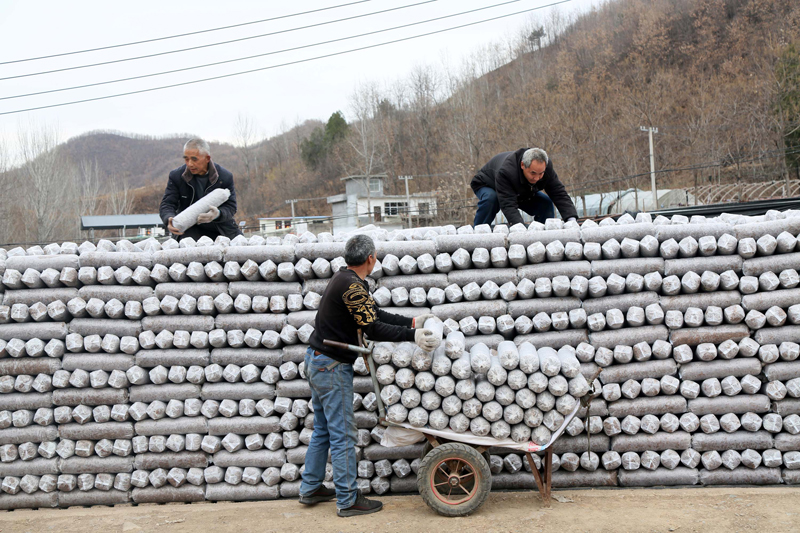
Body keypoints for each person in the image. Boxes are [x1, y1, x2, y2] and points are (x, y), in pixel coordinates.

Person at [300, 235, 438, 517]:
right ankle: (348, 500)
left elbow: (372, 314)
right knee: (342, 435)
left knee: (324, 430)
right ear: (371, 259)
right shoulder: (352, 286)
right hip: (332, 366)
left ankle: (310, 487)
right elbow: (373, 328)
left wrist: (412, 322)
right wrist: (413, 336)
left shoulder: (344, 278)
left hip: (317, 360)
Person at [470, 147, 578, 227]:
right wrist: (520, 229)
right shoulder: (506, 172)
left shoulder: (546, 169)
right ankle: (479, 231)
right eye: (533, 173)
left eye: (541, 174)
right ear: (523, 165)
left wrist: (571, 219)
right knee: (492, 199)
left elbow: (558, 192)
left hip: (519, 190)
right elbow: (508, 205)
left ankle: (542, 236)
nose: (537, 178)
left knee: (545, 203)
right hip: (487, 184)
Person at [159, 138, 242, 241]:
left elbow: (231, 206)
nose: (190, 164)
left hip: (220, 228)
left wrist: (217, 214)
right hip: (190, 228)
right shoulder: (177, 176)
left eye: (194, 159)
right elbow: (167, 204)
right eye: (186, 159)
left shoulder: (224, 177)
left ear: (207, 158)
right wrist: (169, 219)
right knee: (189, 252)